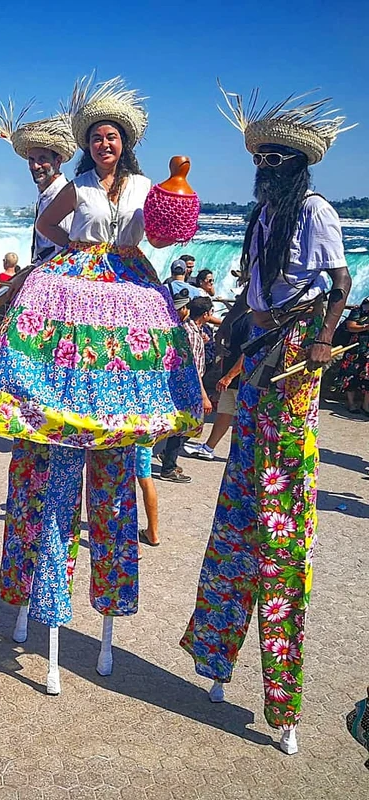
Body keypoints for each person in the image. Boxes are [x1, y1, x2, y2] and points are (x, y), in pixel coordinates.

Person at [0, 75, 201, 692]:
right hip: (76, 284)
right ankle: (39, 600)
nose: (105, 143)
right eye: (97, 137)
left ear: (125, 143)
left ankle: (100, 614)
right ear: (89, 144)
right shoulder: (74, 184)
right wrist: (79, 253)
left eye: (113, 137)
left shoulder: (142, 185)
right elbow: (49, 226)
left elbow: (164, 234)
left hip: (128, 289)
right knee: (55, 422)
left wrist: (129, 251)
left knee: (115, 443)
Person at [180, 83, 353, 755]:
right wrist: (221, 352)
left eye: (281, 159)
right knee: (237, 518)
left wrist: (319, 341)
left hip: (293, 363)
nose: (270, 167)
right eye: (265, 159)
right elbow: (251, 295)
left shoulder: (314, 211)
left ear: (299, 166)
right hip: (257, 361)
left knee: (278, 527)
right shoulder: (259, 220)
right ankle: (216, 660)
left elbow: (339, 284)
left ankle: (283, 703)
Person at [0, 108, 77, 267]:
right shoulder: (46, 194)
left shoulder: (63, 195)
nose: (35, 166)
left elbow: (66, 251)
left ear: (58, 161)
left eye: (42, 159)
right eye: (31, 160)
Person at [185, 309, 252, 459]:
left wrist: (229, 376)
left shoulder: (253, 320)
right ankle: (208, 447)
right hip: (229, 376)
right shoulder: (239, 316)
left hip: (240, 378)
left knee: (244, 418)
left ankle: (244, 454)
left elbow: (248, 352)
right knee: (224, 413)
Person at [159, 295, 214, 482]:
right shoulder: (190, 333)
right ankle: (169, 467)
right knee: (186, 425)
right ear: (206, 314)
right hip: (189, 385)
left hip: (187, 384)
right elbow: (192, 367)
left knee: (190, 425)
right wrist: (204, 395)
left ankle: (168, 456)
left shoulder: (193, 330)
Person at [336, 296, 369, 413]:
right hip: (355, 349)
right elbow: (350, 327)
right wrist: (366, 327)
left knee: (367, 378)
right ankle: (351, 404)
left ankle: (366, 406)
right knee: (351, 375)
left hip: (368, 352)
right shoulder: (358, 311)